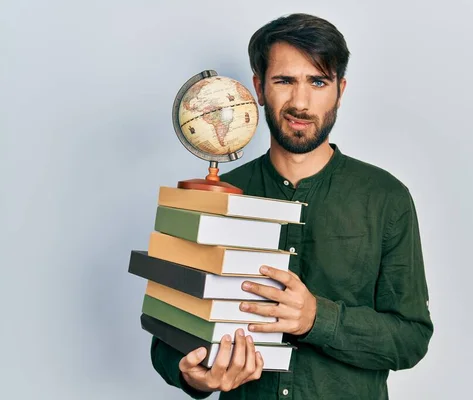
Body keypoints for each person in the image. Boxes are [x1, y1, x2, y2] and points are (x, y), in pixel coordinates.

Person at [150, 12, 434, 400]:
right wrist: (196, 376)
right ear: (259, 88)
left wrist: (317, 318)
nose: (300, 102)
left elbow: (411, 338)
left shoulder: (386, 197)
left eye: (318, 82)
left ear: (340, 90)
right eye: (284, 81)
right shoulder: (216, 196)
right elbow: (167, 343)